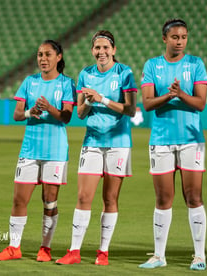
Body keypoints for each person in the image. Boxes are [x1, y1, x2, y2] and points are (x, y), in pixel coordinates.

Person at [56, 30, 137, 266]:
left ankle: (103, 252)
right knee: (83, 196)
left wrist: (101, 99)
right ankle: (74, 251)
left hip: (118, 144)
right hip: (92, 142)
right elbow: (80, 113)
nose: (101, 52)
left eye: (105, 48)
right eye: (97, 48)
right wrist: (89, 101)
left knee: (110, 198)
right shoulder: (85, 74)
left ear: (113, 50)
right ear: (92, 50)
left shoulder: (125, 73)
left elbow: (131, 110)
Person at [0, 40, 75, 262]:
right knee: (19, 200)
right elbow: (17, 114)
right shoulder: (29, 82)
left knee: (49, 201)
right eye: (40, 55)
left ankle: (45, 249)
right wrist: (31, 111)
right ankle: (13, 248)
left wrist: (50, 108)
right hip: (30, 149)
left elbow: (67, 116)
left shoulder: (67, 83)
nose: (43, 59)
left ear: (58, 57)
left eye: (47, 54)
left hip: (55, 150)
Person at [138, 19, 207, 271]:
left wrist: (179, 94)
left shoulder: (196, 64)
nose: (180, 42)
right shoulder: (152, 66)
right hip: (161, 140)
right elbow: (146, 104)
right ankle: (159, 256)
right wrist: (170, 95)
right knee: (163, 198)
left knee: (193, 196)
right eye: (175, 37)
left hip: (191, 141)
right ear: (164, 39)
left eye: (184, 37)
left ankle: (199, 256)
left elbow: (200, 103)